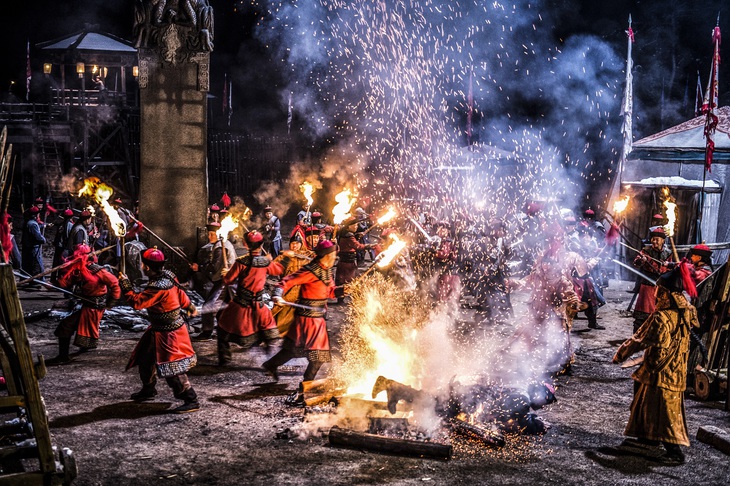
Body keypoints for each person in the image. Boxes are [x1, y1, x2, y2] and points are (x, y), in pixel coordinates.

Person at [613, 266, 699, 464]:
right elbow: (694, 318)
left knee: (666, 410)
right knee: (643, 396)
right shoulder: (687, 310)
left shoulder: (662, 317)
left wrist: (621, 354)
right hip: (677, 368)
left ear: (665, 292)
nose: (655, 292)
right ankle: (648, 435)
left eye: (658, 289)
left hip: (660, 370)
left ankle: (675, 452)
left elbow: (641, 339)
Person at [119, 247, 200, 414]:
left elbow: (138, 303)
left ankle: (191, 399)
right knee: (145, 358)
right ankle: (148, 389)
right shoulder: (168, 276)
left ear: (147, 267)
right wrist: (189, 305)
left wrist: (126, 286)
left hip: (169, 333)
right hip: (157, 329)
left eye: (143, 264)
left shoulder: (158, 287)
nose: (141, 266)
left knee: (173, 369)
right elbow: (180, 293)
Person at [262, 239, 337, 405]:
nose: (334, 257)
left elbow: (331, 292)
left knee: (292, 349)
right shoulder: (310, 271)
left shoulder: (326, 271)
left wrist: (345, 289)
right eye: (333, 254)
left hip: (315, 318)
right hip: (309, 320)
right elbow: (286, 281)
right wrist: (278, 294)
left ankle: (270, 365)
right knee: (318, 357)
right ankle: (305, 390)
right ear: (326, 255)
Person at [216, 231, 284, 366]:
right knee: (269, 333)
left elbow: (228, 280)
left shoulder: (241, 262)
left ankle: (225, 358)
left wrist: (226, 273)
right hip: (259, 304)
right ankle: (272, 360)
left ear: (246, 245)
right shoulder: (265, 262)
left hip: (240, 305)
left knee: (222, 326)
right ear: (261, 244)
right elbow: (278, 270)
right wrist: (270, 260)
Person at [47, 245, 121, 364]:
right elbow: (67, 281)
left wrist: (110, 302)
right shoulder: (79, 270)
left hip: (94, 307)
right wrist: (53, 285)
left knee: (65, 326)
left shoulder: (98, 271)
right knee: (71, 326)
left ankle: (63, 357)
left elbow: (114, 283)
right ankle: (84, 346)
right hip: (86, 304)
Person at [190, 222, 236, 341]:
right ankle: (226, 331)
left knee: (208, 306)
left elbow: (214, 267)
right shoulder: (221, 244)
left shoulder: (221, 247)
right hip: (224, 280)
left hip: (224, 281)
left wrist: (199, 268)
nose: (209, 237)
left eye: (212, 234)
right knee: (223, 309)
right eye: (209, 234)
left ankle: (207, 332)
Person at [272, 234, 315, 337]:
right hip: (287, 289)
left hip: (303, 289)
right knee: (282, 312)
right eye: (292, 243)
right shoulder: (283, 256)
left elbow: (321, 257)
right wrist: (285, 258)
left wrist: (334, 243)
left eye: (297, 243)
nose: (294, 246)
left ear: (301, 244)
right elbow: (273, 269)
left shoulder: (307, 255)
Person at [632, 227, 673, 332]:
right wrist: (642, 260)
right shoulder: (646, 250)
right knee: (643, 314)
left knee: (659, 314)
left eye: (657, 239)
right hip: (647, 285)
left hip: (661, 286)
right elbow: (636, 262)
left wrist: (666, 269)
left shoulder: (668, 252)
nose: (654, 241)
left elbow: (671, 267)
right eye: (653, 239)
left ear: (663, 240)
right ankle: (637, 337)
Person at [334, 218, 374, 304]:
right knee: (346, 281)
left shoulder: (346, 234)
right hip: (347, 263)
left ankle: (348, 298)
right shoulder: (348, 236)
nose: (356, 226)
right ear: (349, 227)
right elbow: (357, 246)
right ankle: (344, 299)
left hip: (347, 261)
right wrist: (369, 246)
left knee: (348, 280)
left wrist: (357, 236)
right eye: (355, 225)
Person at [21, 206, 46, 279]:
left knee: (29, 264)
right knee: (36, 264)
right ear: (35, 215)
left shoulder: (28, 222)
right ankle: (37, 280)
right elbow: (37, 236)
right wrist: (43, 239)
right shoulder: (33, 224)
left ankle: (29, 279)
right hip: (33, 247)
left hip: (28, 246)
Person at [51, 209, 75, 283]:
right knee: (63, 264)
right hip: (64, 247)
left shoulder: (61, 224)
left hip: (58, 246)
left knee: (56, 263)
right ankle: (60, 280)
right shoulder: (70, 225)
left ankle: (54, 279)